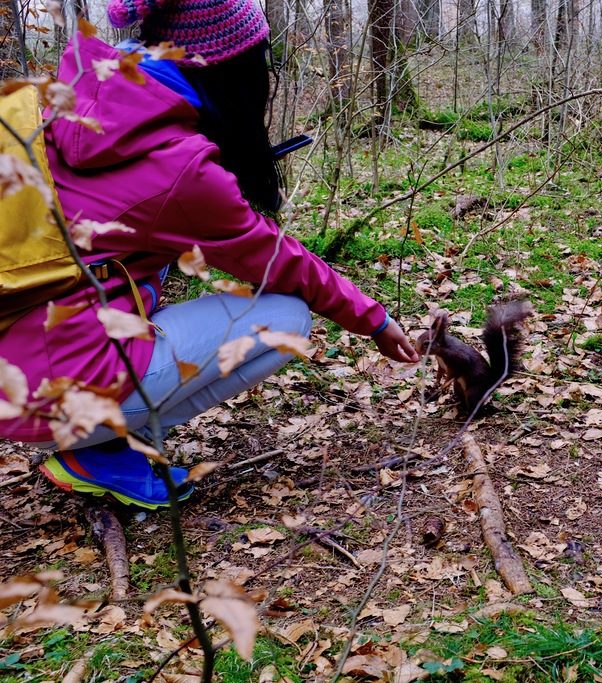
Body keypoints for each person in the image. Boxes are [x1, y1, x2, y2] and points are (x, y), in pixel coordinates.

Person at [0, 1, 419, 509]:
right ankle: (95, 450)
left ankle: (102, 442)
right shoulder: (179, 168)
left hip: (21, 360)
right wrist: (374, 320)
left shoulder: (75, 92)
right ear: (232, 70)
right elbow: (276, 259)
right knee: (285, 319)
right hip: (44, 394)